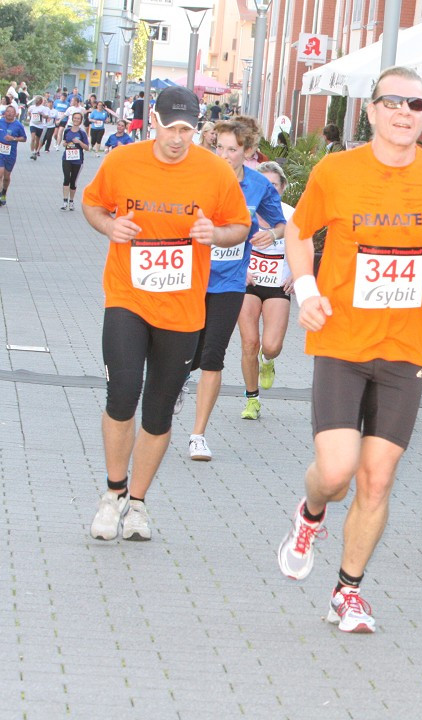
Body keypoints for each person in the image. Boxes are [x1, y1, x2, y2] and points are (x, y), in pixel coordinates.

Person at [276, 66, 422, 634]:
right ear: (371, 111)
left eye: (417, 104)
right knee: (338, 471)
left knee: (376, 479)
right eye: (393, 102)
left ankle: (347, 593)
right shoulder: (337, 170)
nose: (405, 112)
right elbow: (298, 230)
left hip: (405, 348)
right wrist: (306, 289)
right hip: (342, 341)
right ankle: (311, 512)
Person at [82, 85, 249, 543]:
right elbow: (92, 204)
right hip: (127, 296)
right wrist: (110, 225)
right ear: (152, 120)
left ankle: (137, 504)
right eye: (171, 127)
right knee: (122, 391)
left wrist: (215, 233)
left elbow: (240, 226)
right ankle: (112, 493)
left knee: (158, 412)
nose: (178, 138)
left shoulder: (214, 172)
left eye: (188, 130)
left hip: (182, 307)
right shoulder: (122, 161)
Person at [185, 117, 280, 459]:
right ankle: (175, 383)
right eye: (219, 147)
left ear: (249, 152)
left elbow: (282, 222)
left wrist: (273, 234)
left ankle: (198, 434)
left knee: (213, 356)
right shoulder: (199, 178)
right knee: (186, 355)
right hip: (191, 279)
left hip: (229, 283)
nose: (223, 155)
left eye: (232, 149)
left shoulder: (258, 185)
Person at [236, 154, 290, 421]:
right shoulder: (245, 209)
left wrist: (298, 275)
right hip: (248, 282)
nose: (269, 189)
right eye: (264, 184)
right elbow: (228, 241)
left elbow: (304, 246)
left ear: (282, 188)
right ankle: (251, 399)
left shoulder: (290, 215)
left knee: (270, 345)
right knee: (249, 342)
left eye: (274, 185)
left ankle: (267, 362)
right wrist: (241, 269)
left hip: (278, 285)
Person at [59, 110, 90, 211]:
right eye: (75, 118)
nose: (76, 120)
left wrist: (79, 142)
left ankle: (71, 201)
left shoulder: (82, 133)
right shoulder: (67, 131)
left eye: (78, 119)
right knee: (66, 178)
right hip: (67, 158)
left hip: (77, 160)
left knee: (73, 181)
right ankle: (64, 201)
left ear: (81, 121)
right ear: (72, 119)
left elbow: (87, 148)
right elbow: (64, 142)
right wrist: (65, 144)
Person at [0, 104, 28, 207]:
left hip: (10, 154)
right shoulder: (0, 122)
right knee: (0, 173)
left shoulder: (18, 125)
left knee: (6, 177)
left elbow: (24, 139)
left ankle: (3, 193)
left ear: (15, 114)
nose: (9, 113)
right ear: (5, 113)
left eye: (12, 112)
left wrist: (14, 139)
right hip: (0, 153)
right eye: (8, 111)